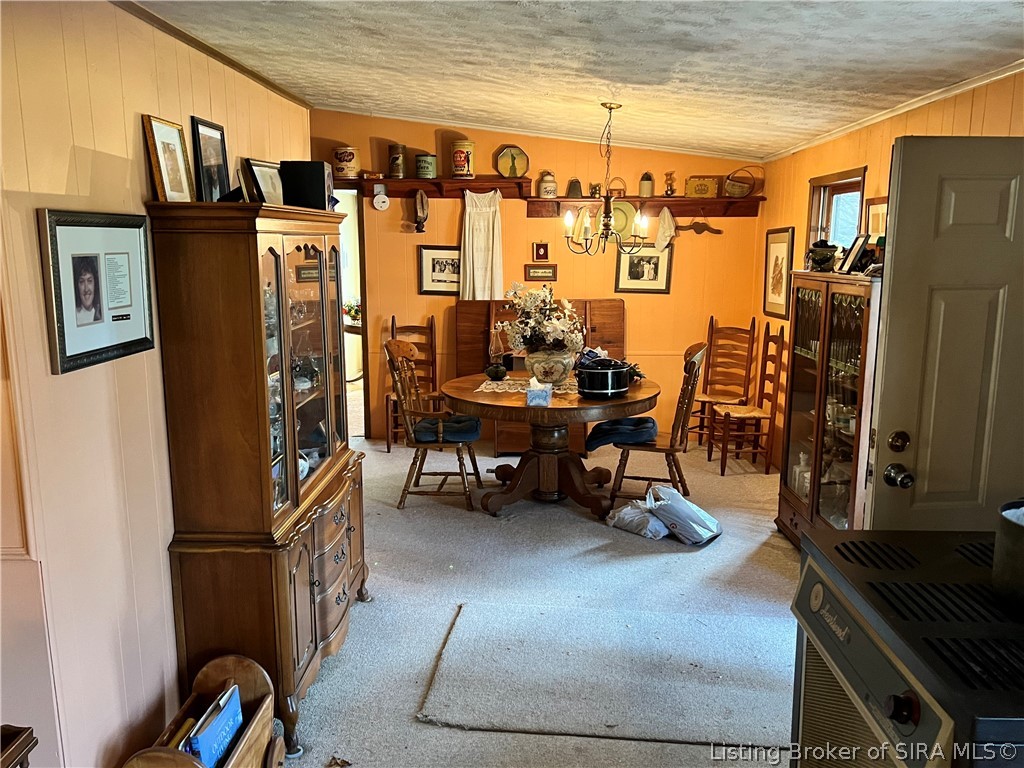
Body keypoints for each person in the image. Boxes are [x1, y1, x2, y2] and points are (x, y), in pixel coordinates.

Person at [73, 255, 102, 326]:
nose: (86, 289)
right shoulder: (73, 317)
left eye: (89, 281)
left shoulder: (100, 313)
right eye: (81, 282)